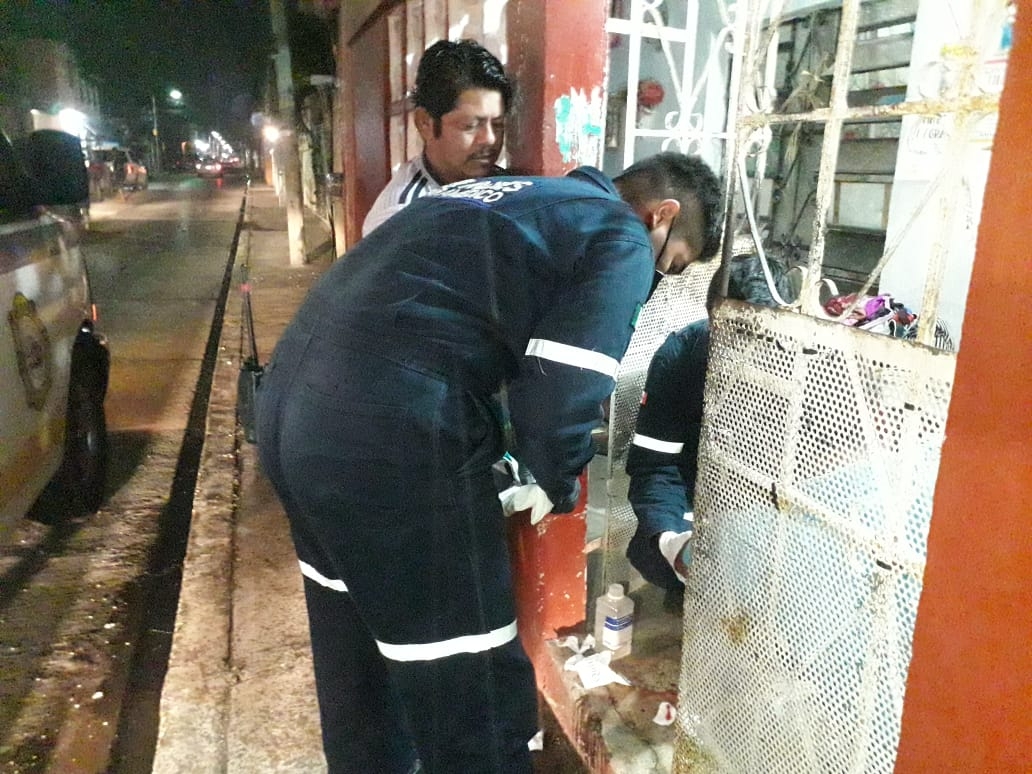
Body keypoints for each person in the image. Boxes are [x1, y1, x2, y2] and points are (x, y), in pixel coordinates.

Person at [255, 151, 721, 774]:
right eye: (673, 261)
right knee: (472, 688)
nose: (660, 276)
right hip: (391, 434)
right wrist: (549, 477)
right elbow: (564, 391)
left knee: (359, 665)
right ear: (660, 217)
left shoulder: (505, 194)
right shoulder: (619, 233)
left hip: (292, 413)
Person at [625, 237, 791, 595]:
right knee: (651, 551)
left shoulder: (804, 365)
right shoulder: (681, 356)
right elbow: (655, 465)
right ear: (710, 314)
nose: (740, 349)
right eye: (728, 333)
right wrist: (670, 538)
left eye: (755, 336)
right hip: (694, 498)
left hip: (767, 508)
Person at [362, 39, 513, 236]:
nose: (490, 139)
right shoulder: (403, 218)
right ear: (425, 122)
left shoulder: (504, 185)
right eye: (470, 126)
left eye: (498, 125)